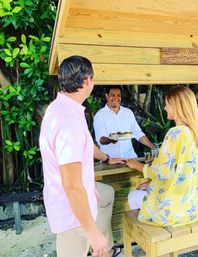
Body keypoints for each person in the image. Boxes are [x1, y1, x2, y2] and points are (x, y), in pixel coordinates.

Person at [39, 55, 123, 257]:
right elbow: (72, 186)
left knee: (107, 193)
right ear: (87, 81)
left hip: (79, 197)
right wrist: (92, 232)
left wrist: (105, 158)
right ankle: (97, 242)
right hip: (71, 213)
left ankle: (105, 248)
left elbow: (86, 144)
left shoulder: (65, 108)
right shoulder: (68, 122)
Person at [126, 86, 198, 228]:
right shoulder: (194, 133)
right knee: (144, 192)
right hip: (190, 208)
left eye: (167, 104)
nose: (164, 108)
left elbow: (162, 170)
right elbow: (178, 170)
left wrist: (137, 165)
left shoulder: (175, 133)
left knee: (132, 196)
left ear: (177, 106)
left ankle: (151, 236)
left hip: (172, 211)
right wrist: (152, 183)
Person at [93, 86, 155, 158]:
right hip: (111, 160)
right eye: (113, 95)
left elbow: (137, 133)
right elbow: (100, 139)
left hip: (130, 157)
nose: (116, 98)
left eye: (118, 95)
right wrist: (110, 140)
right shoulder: (100, 115)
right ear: (106, 96)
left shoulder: (128, 112)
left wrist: (153, 147)